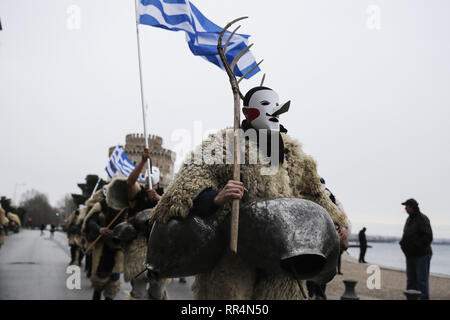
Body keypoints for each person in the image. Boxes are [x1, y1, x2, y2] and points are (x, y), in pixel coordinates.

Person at [148, 85, 346, 299]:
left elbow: (314, 195)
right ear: (245, 112)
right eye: (264, 104)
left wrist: (337, 225)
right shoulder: (224, 145)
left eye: (276, 105)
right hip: (234, 255)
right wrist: (214, 198)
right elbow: (183, 189)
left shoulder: (294, 154)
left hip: (282, 258)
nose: (274, 110)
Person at [399, 198, 433, 300]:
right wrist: (403, 245)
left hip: (421, 255)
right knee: (411, 280)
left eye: (407, 206)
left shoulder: (422, 219)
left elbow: (428, 237)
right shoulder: (409, 219)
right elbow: (406, 235)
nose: (405, 208)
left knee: (421, 280)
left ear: (412, 207)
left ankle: (423, 298)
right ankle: (410, 297)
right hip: (410, 255)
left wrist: (415, 247)